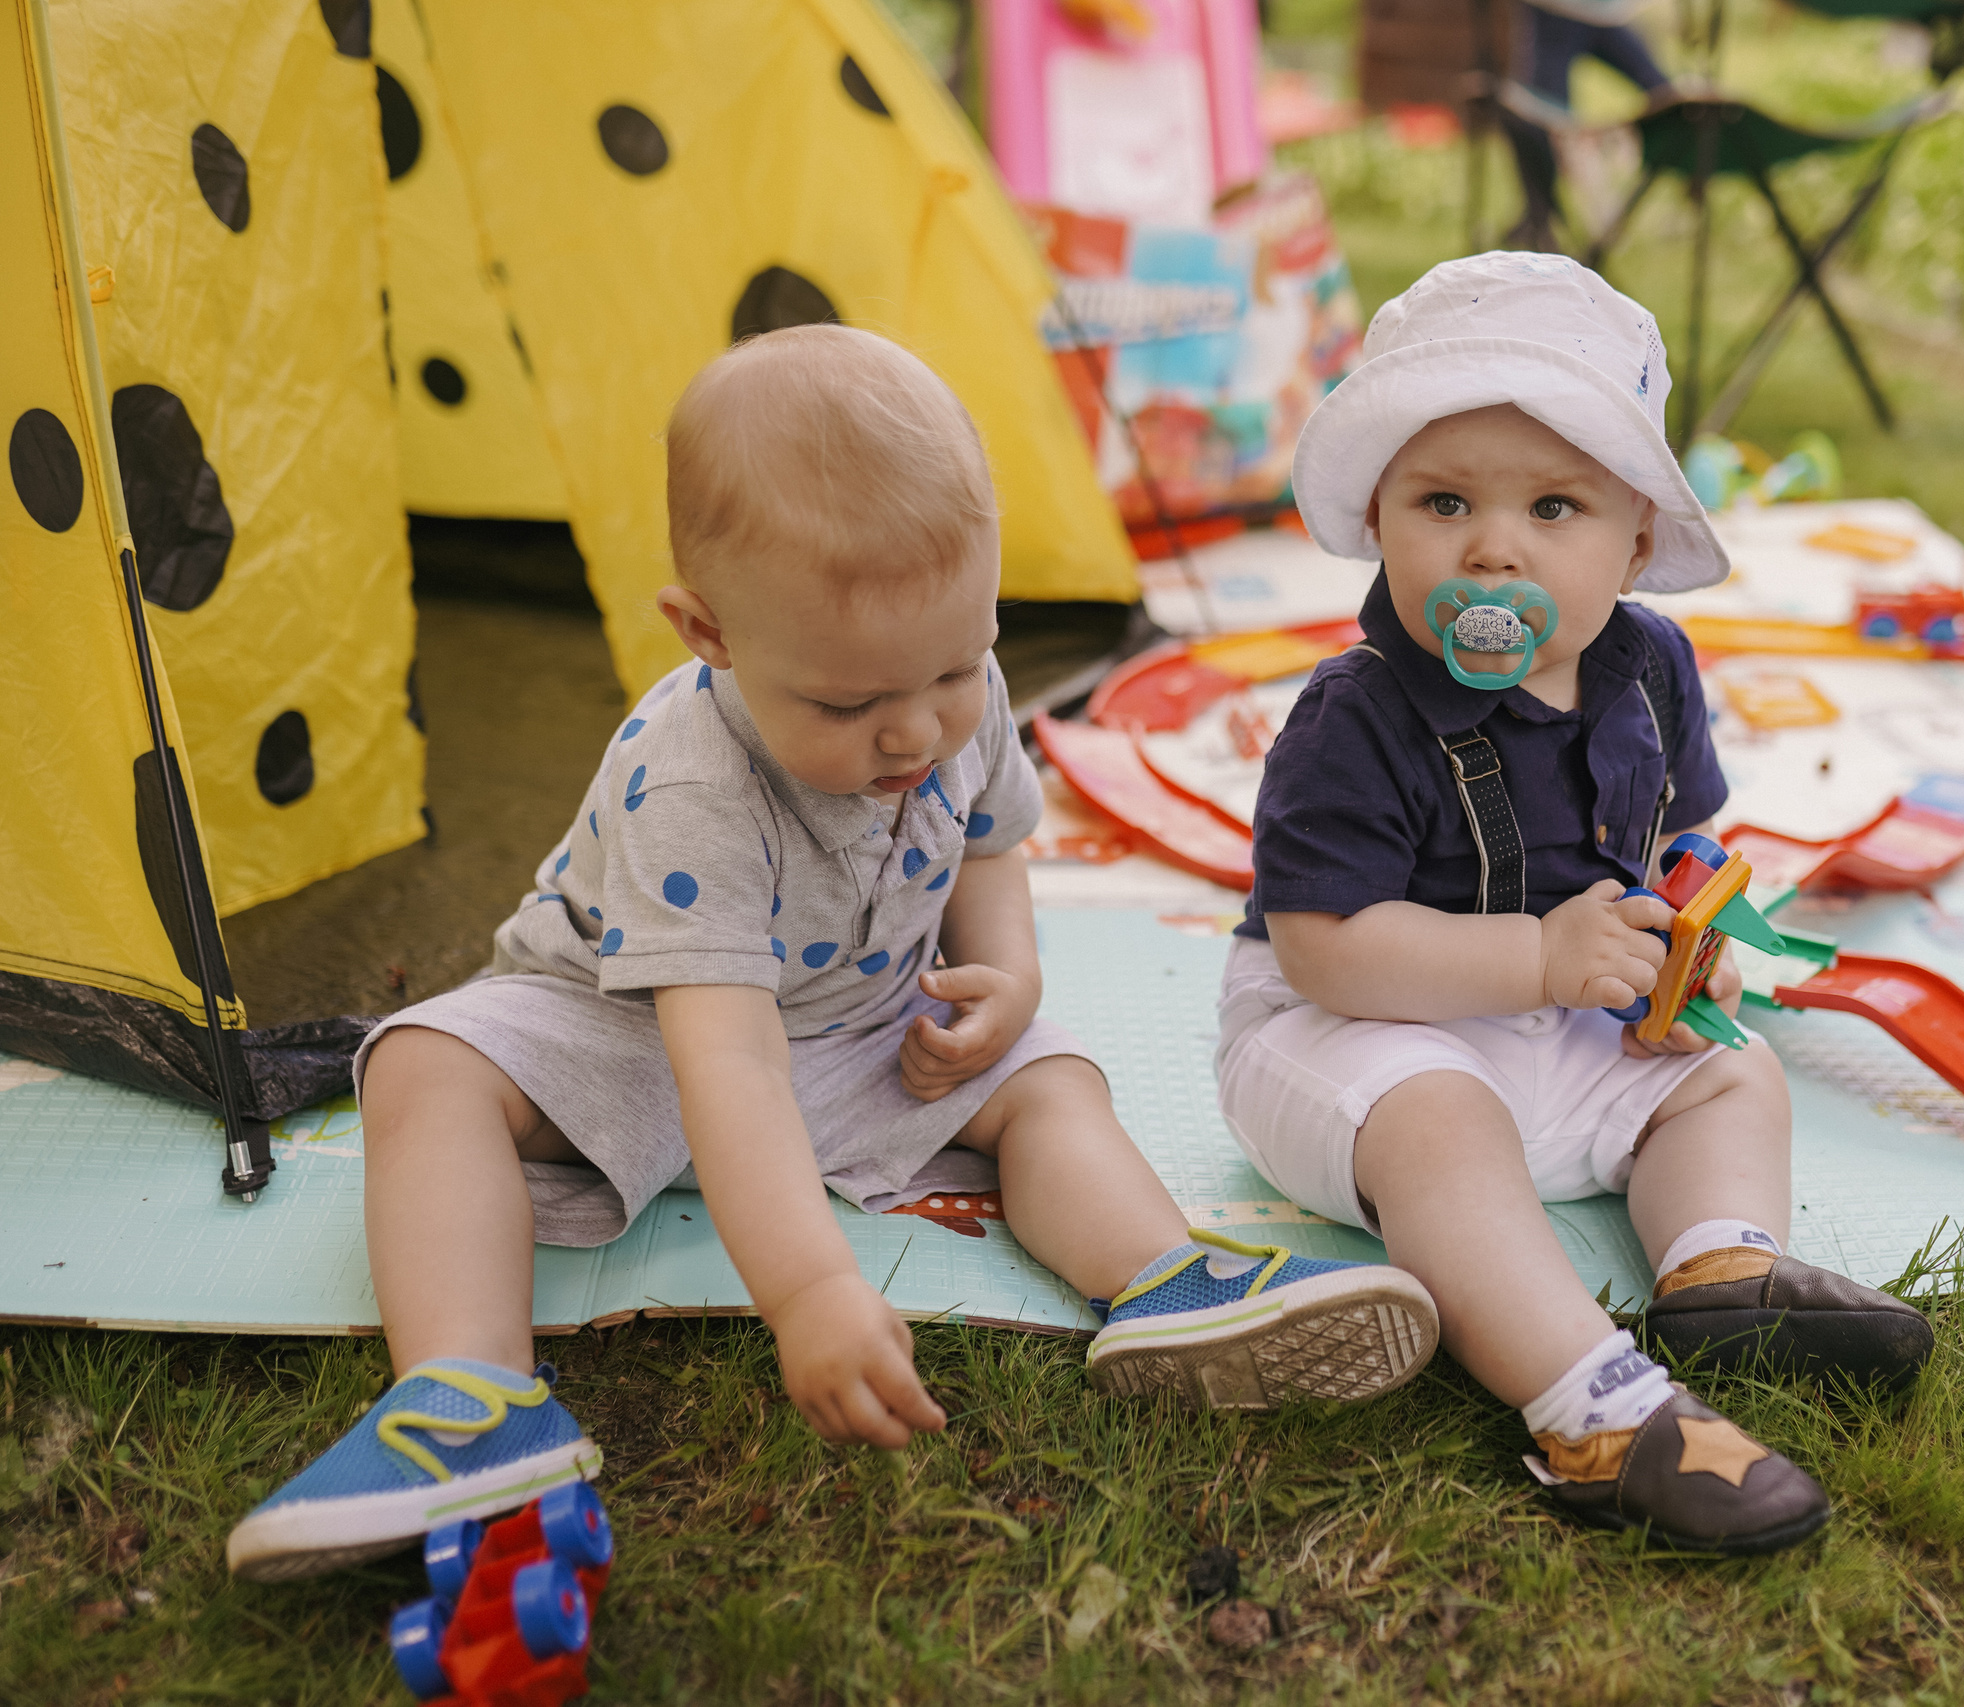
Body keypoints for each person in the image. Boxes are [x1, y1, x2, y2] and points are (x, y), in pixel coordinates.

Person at [226, 326, 1436, 1583]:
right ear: (707, 631)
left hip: (861, 1029)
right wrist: (808, 1292)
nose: (914, 733)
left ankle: (1166, 1284)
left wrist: (1009, 979)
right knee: (424, 1065)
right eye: (849, 705)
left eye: (955, 669)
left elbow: (989, 845)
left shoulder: (950, 689)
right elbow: (728, 1066)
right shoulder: (689, 784)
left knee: (1050, 1076)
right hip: (631, 1031)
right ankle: (468, 1400)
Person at [1218, 253, 1932, 1554]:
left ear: (1636, 539)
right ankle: (1590, 1403)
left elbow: (1680, 838)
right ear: (1381, 515)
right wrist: (1541, 957)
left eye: (1554, 506)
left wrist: (1689, 947)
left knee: (1731, 1072)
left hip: (1572, 1008)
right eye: (1445, 501)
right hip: (1356, 1032)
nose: (1493, 547)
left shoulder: (1650, 665)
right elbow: (1323, 948)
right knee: (1443, 1128)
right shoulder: (1355, 715)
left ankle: (1718, 1265)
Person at [1497, 0, 1677, 253]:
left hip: (1597, 11)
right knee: (1538, 113)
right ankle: (1539, 218)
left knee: (1668, 98)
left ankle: (1539, 217)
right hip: (1565, 12)